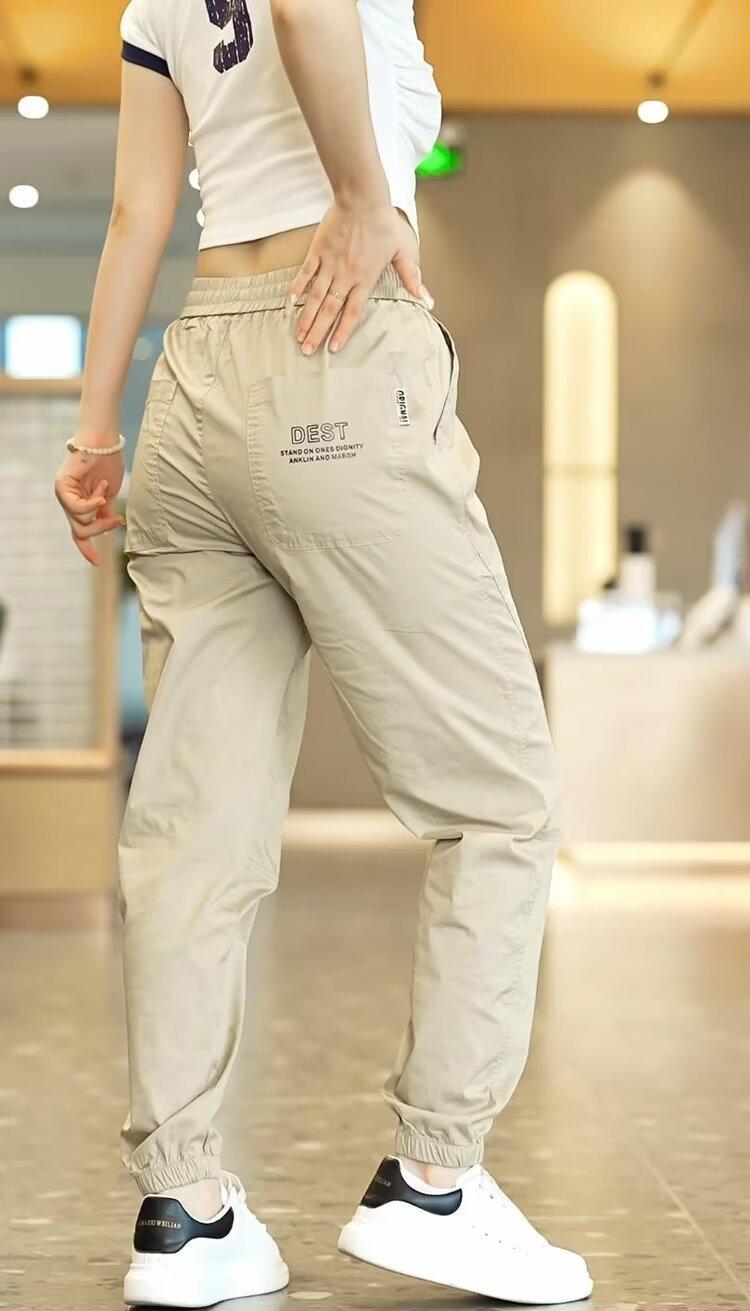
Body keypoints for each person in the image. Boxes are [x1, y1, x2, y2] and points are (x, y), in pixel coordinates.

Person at [54, 0, 593, 1305]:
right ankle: (434, 1179)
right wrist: (361, 194)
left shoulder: (148, 4)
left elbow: (137, 211)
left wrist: (94, 427)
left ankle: (183, 1209)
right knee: (500, 801)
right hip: (332, 348)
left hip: (192, 383)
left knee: (191, 832)